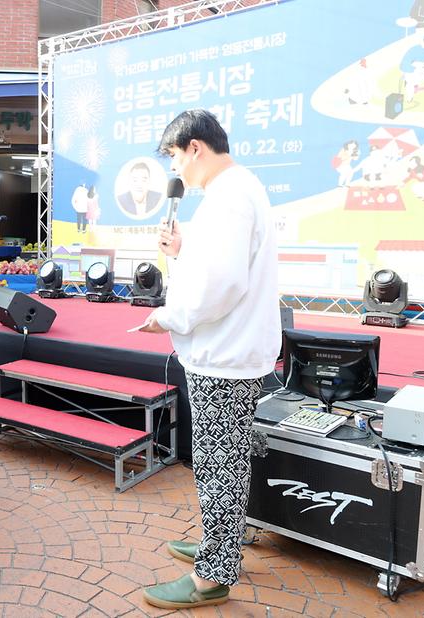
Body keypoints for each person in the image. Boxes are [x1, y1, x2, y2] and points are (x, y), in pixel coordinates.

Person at [137, 109, 280, 609]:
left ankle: (213, 575)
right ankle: (220, 547)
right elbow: (220, 265)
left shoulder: (228, 196)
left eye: (176, 156)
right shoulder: (236, 190)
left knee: (219, 464)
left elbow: (221, 284)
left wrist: (170, 316)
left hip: (223, 355)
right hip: (227, 352)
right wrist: (182, 248)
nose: (177, 170)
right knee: (222, 460)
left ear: (195, 147)